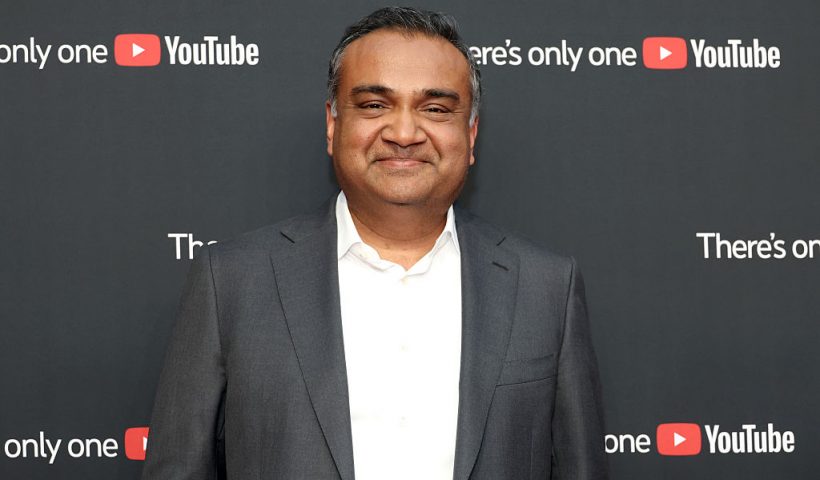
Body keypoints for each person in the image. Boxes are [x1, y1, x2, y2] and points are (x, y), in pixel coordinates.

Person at [142, 6, 608, 480]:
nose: (404, 133)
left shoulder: (546, 289)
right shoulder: (232, 283)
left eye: (435, 109)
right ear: (332, 124)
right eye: (374, 105)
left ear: (470, 135)